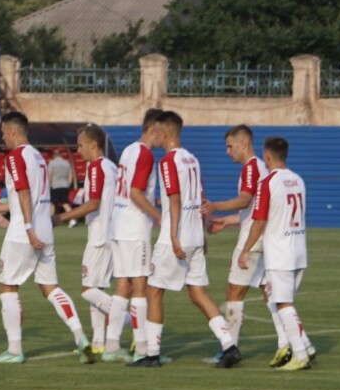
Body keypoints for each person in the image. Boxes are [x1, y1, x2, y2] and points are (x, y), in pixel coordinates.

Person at [0, 111, 94, 364]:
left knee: (7, 287)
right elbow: (26, 197)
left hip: (25, 232)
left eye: (3, 133)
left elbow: (23, 194)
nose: (2, 138)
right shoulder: (38, 157)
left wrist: (28, 228)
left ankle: (14, 350)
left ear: (12, 131)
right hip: (45, 230)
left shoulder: (15, 156)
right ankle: (81, 338)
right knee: (51, 288)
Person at [130, 110, 239, 368]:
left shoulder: (169, 162)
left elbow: (176, 199)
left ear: (165, 133)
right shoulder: (192, 159)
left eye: (157, 131)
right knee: (198, 293)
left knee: (153, 292)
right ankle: (229, 345)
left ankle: (152, 354)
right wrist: (202, 231)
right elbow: (201, 196)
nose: (154, 135)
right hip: (195, 238)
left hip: (175, 239)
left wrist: (172, 235)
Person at [237, 137, 317, 370]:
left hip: (280, 252)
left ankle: (300, 355)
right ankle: (306, 345)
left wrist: (245, 250)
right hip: (299, 249)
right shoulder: (298, 180)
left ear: (268, 156)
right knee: (280, 300)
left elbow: (259, 220)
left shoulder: (268, 182)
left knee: (282, 304)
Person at [201, 125, 275, 363]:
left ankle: (229, 348)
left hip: (252, 239)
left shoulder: (252, 168)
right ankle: (295, 341)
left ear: (243, 144)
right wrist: (228, 222)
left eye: (230, 146)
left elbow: (245, 201)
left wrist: (215, 206)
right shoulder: (261, 168)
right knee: (270, 293)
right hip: (264, 235)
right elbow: (254, 210)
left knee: (234, 290)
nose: (227, 151)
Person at [56, 125, 119, 356]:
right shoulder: (112, 167)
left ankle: (128, 315)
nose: (78, 149)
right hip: (112, 234)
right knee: (97, 288)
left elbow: (93, 204)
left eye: (80, 145)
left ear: (93, 145)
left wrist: (61, 217)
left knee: (87, 290)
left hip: (99, 236)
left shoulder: (96, 167)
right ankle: (98, 342)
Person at [106, 108, 162, 363]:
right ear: (153, 129)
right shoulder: (146, 155)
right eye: (163, 132)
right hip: (134, 227)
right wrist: (160, 217)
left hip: (117, 225)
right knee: (140, 288)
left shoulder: (128, 150)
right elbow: (136, 193)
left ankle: (111, 345)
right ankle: (141, 348)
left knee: (123, 287)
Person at [48, 149, 75, 223]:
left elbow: (50, 175)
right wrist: (68, 185)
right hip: (65, 186)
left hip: (55, 185)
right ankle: (72, 219)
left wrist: (48, 185)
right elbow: (70, 176)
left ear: (54, 155)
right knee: (65, 203)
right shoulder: (67, 163)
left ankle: (50, 219)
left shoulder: (52, 163)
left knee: (52, 204)